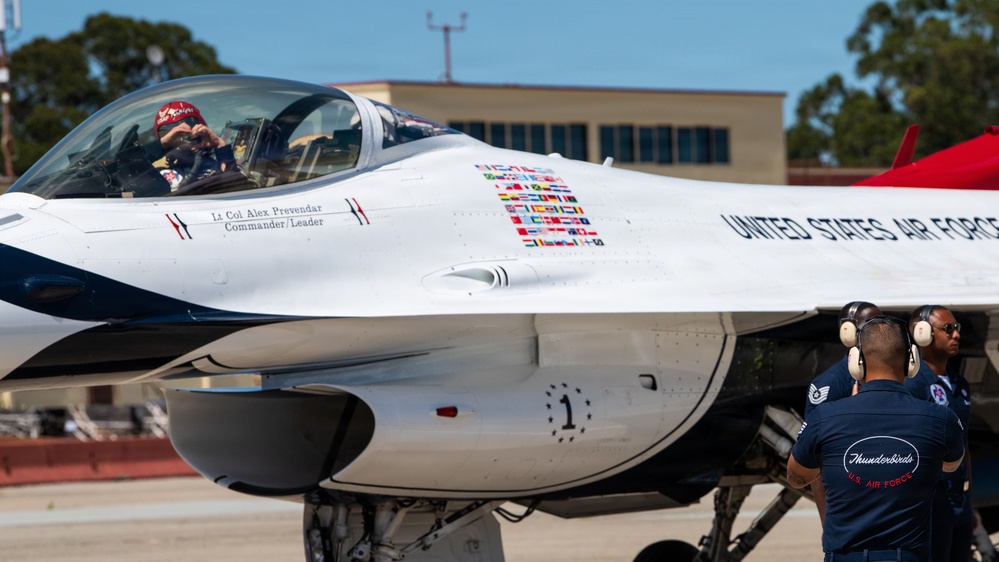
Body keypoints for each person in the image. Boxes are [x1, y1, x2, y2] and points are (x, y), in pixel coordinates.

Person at [788, 316, 965, 562]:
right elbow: (951, 465)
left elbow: (796, 478)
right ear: (911, 361)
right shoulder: (941, 418)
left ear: (856, 362)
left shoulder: (824, 417)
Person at [805, 301, 882, 524]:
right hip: (851, 507)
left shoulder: (892, 378)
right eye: (873, 325)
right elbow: (816, 461)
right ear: (849, 333)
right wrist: (829, 524)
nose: (882, 330)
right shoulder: (829, 386)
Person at [906, 305, 973, 562]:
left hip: (959, 499)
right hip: (930, 502)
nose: (956, 335)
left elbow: (963, 444)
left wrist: (969, 500)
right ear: (922, 333)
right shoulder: (912, 386)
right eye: (948, 329)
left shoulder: (960, 384)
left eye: (957, 328)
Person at [147, 101, 237, 190]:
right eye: (173, 136)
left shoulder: (220, 165)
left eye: (189, 132)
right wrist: (162, 144)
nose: (183, 139)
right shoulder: (164, 176)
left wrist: (220, 145)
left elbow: (239, 187)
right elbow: (134, 170)